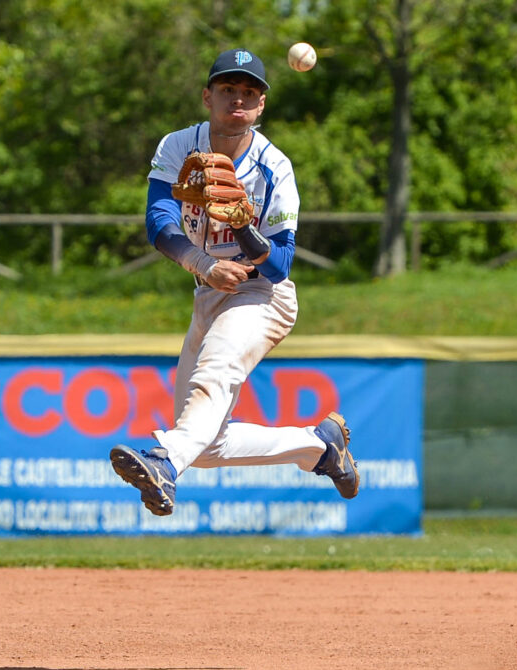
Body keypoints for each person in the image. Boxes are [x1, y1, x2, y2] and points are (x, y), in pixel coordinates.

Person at [109, 47, 360, 516]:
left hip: (263, 294)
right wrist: (203, 264)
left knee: (217, 369)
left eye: (249, 93)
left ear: (261, 106)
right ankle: (319, 447)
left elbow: (280, 263)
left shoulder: (275, 167)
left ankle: (164, 463)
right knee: (204, 445)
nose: (238, 100)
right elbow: (158, 221)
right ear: (208, 96)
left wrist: (244, 225)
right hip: (210, 286)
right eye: (228, 90)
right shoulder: (178, 146)